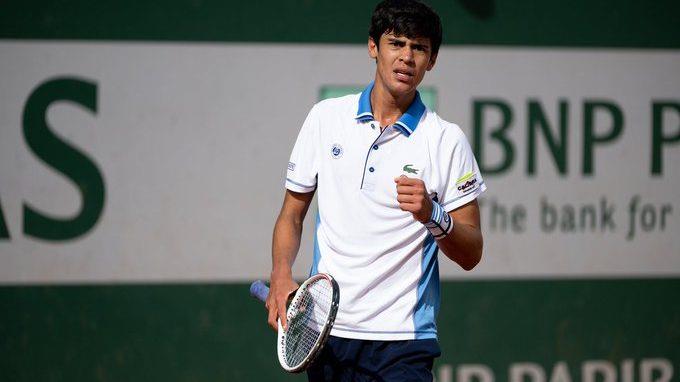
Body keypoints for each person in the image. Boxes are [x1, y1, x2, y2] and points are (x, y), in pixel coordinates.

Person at [266, 0, 486, 380]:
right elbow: (291, 213)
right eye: (396, 43)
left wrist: (432, 215)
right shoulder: (325, 119)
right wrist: (282, 273)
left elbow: (472, 252)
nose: (407, 57)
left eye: (419, 48)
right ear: (373, 47)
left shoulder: (447, 140)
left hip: (403, 342)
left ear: (431, 60)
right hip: (328, 334)